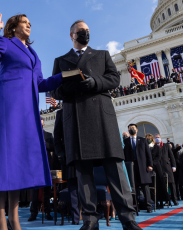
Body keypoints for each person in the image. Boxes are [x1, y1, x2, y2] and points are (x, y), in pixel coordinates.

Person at [0, 12, 62, 230]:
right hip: (7, 104)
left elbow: (40, 83)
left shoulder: (34, 54)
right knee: (4, 158)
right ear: (13, 26)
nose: (29, 25)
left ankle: (14, 217)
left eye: (31, 23)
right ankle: (0, 218)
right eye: (25, 22)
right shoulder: (6, 42)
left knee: (18, 160)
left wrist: (64, 76)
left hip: (27, 109)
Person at [51, 19, 140, 230]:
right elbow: (54, 91)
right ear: (72, 34)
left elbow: (114, 79)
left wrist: (95, 82)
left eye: (88, 31)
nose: (86, 34)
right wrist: (71, 87)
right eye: (82, 31)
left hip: (101, 116)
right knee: (83, 173)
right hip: (76, 119)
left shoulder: (102, 55)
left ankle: (128, 219)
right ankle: (90, 219)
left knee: (115, 170)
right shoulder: (61, 60)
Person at [53, 109, 80, 225]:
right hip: (68, 155)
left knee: (87, 186)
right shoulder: (61, 113)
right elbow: (57, 136)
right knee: (73, 188)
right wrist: (59, 152)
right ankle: (76, 218)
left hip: (86, 154)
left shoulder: (83, 107)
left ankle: (89, 215)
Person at [29, 119, 55, 221]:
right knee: (34, 191)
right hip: (35, 166)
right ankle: (33, 213)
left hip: (47, 166)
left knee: (47, 192)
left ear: (43, 125)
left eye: (41, 123)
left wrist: (45, 144)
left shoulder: (48, 135)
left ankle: (47, 212)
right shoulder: (32, 136)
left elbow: (53, 147)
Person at [123, 124, 153, 212]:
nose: (132, 129)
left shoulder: (143, 140)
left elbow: (148, 154)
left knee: (145, 187)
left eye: (133, 128)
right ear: (128, 130)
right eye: (130, 128)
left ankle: (148, 206)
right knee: (134, 187)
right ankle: (136, 207)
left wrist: (150, 165)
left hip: (143, 166)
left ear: (137, 130)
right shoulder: (126, 141)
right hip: (131, 167)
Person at [154, 134, 178, 206]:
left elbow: (171, 156)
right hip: (158, 168)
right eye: (156, 138)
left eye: (158, 137)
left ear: (160, 138)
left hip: (167, 167)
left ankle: (174, 200)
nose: (157, 139)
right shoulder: (154, 147)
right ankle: (162, 201)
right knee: (160, 185)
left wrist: (174, 166)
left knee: (171, 183)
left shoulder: (166, 146)